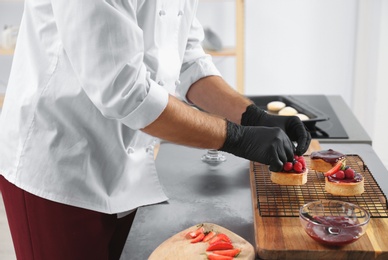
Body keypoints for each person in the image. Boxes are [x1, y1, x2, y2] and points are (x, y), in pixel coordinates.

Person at [0, 1, 311, 259]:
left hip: (127, 163)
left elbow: (187, 58)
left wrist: (251, 116)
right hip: (58, 164)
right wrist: (236, 137)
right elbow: (123, 90)